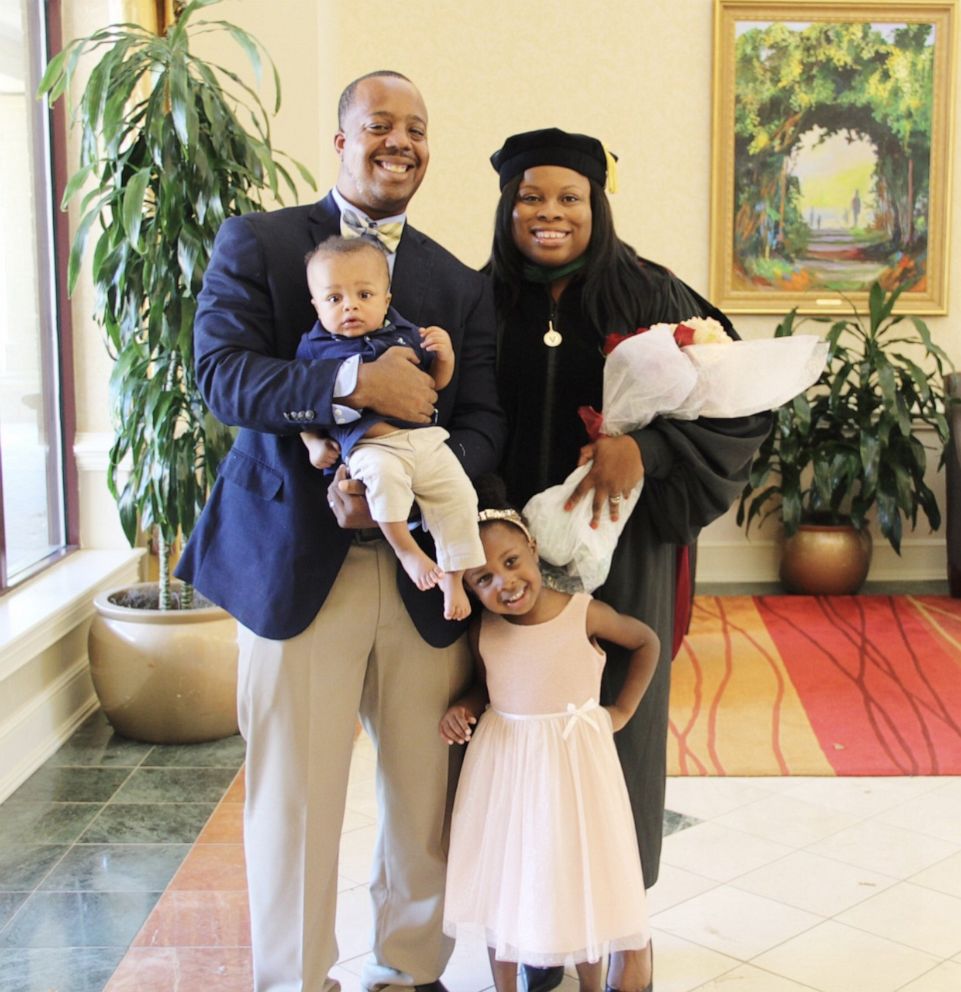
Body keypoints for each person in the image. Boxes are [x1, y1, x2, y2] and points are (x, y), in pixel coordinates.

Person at [176, 70, 505, 992]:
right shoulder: (264, 245)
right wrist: (352, 391)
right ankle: (293, 978)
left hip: (418, 575)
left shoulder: (457, 281)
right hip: (295, 566)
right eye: (378, 126)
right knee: (295, 800)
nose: (399, 142)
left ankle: (409, 970)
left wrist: (401, 472)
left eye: (417, 127)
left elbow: (484, 422)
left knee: (422, 797)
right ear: (340, 140)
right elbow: (224, 376)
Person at [486, 127, 773, 992]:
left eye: (568, 197)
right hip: (510, 565)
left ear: (596, 204)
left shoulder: (653, 293)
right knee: (520, 741)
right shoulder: (477, 298)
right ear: (506, 206)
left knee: (615, 735)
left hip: (623, 554)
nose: (549, 214)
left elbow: (742, 406)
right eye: (531, 197)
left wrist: (646, 453)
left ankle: (617, 927)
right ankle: (535, 936)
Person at [440, 481, 660, 992]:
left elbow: (646, 641)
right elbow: (485, 688)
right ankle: (506, 985)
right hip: (507, 765)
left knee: (576, 873)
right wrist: (463, 708)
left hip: (572, 766)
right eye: (484, 579)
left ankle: (589, 981)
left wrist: (622, 709)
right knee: (507, 876)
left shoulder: (583, 613)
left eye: (512, 562)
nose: (505, 583)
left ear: (533, 549)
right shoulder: (485, 630)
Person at [297, 235, 485, 620]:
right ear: (315, 306)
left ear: (386, 298)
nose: (350, 305)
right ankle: (408, 552)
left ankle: (454, 577)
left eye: (364, 295)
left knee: (459, 495)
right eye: (334, 299)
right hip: (371, 447)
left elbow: (435, 383)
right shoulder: (315, 348)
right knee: (384, 479)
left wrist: (444, 355)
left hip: (422, 439)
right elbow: (301, 401)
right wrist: (314, 443)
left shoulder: (404, 333)